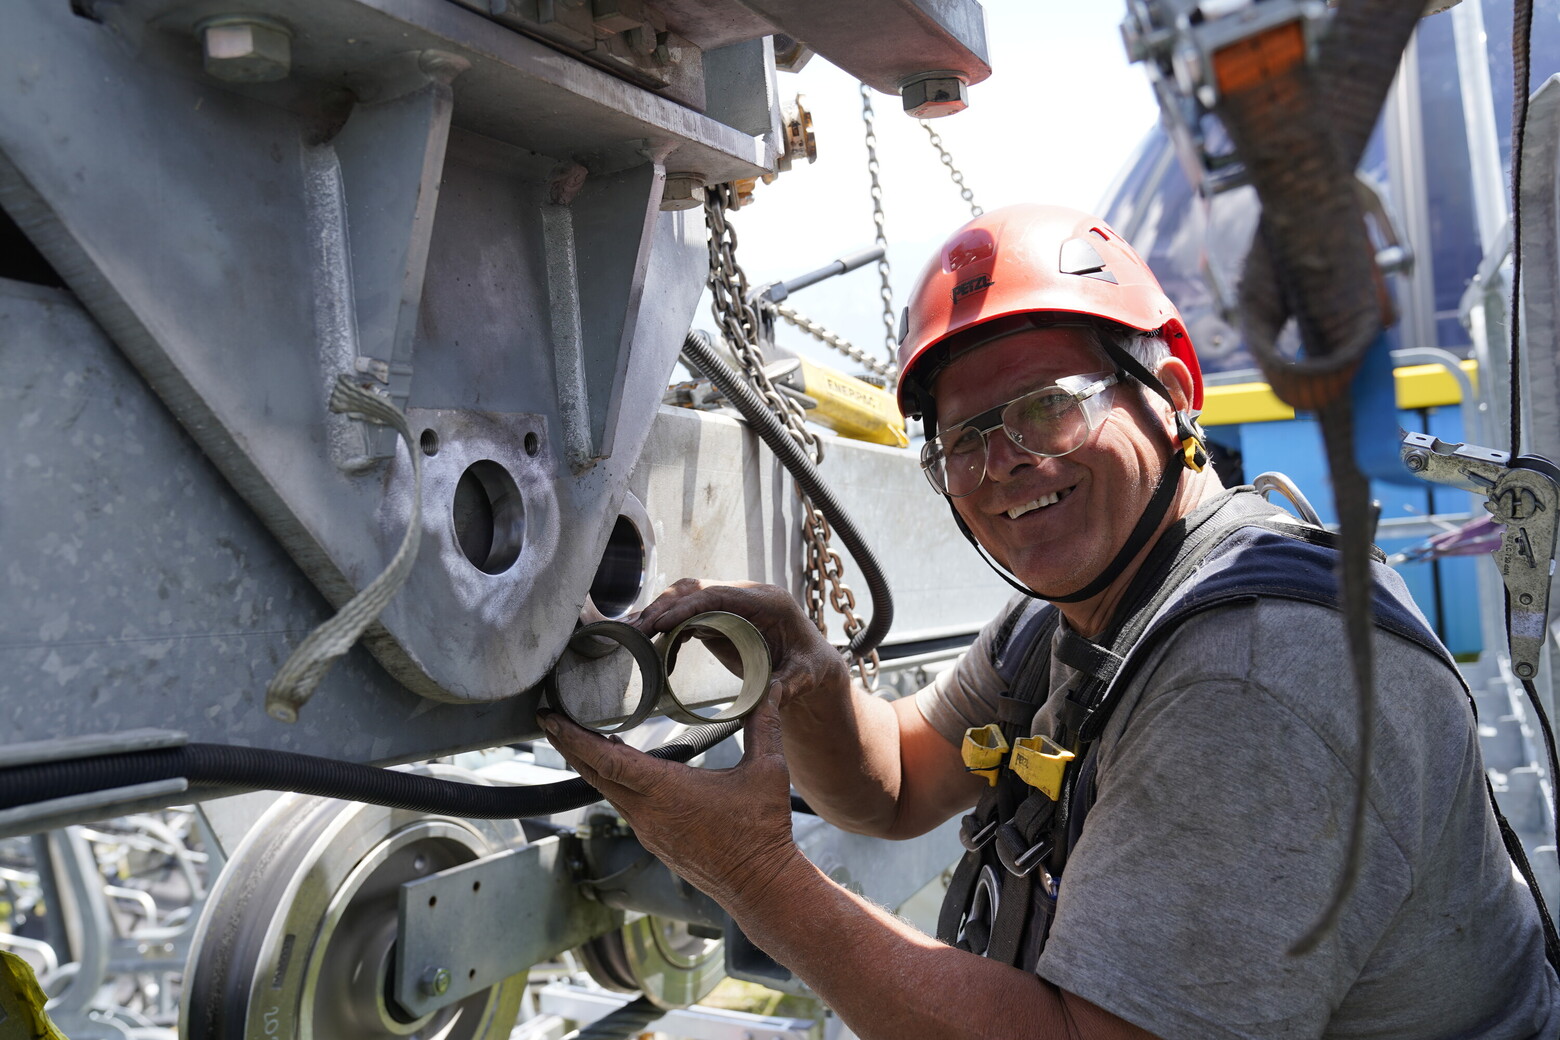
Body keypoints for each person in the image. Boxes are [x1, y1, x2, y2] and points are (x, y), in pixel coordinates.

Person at [538, 204, 1560, 1038]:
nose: (1002, 462)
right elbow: (895, 782)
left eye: (1047, 405)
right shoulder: (1073, 620)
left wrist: (754, 874)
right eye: (964, 437)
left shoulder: (1255, 679)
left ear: (1175, 392)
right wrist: (806, 670)